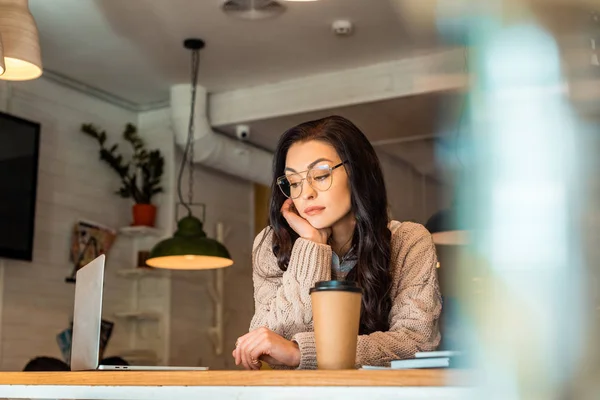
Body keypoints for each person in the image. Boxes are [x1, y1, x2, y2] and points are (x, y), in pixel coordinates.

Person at [232, 116, 442, 370]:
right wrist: (312, 245)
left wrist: (303, 353)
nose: (306, 193)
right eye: (294, 182)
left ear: (357, 173)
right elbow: (272, 338)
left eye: (320, 176)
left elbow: (415, 343)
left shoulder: (409, 241)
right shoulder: (272, 244)